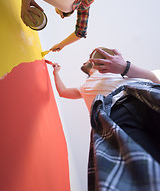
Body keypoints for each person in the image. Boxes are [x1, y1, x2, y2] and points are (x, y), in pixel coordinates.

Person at [50, 47, 160, 190]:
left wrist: (124, 67)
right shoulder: (83, 88)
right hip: (114, 118)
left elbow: (154, 80)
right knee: (141, 168)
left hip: (141, 99)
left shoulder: (119, 74)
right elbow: (63, 92)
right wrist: (56, 72)